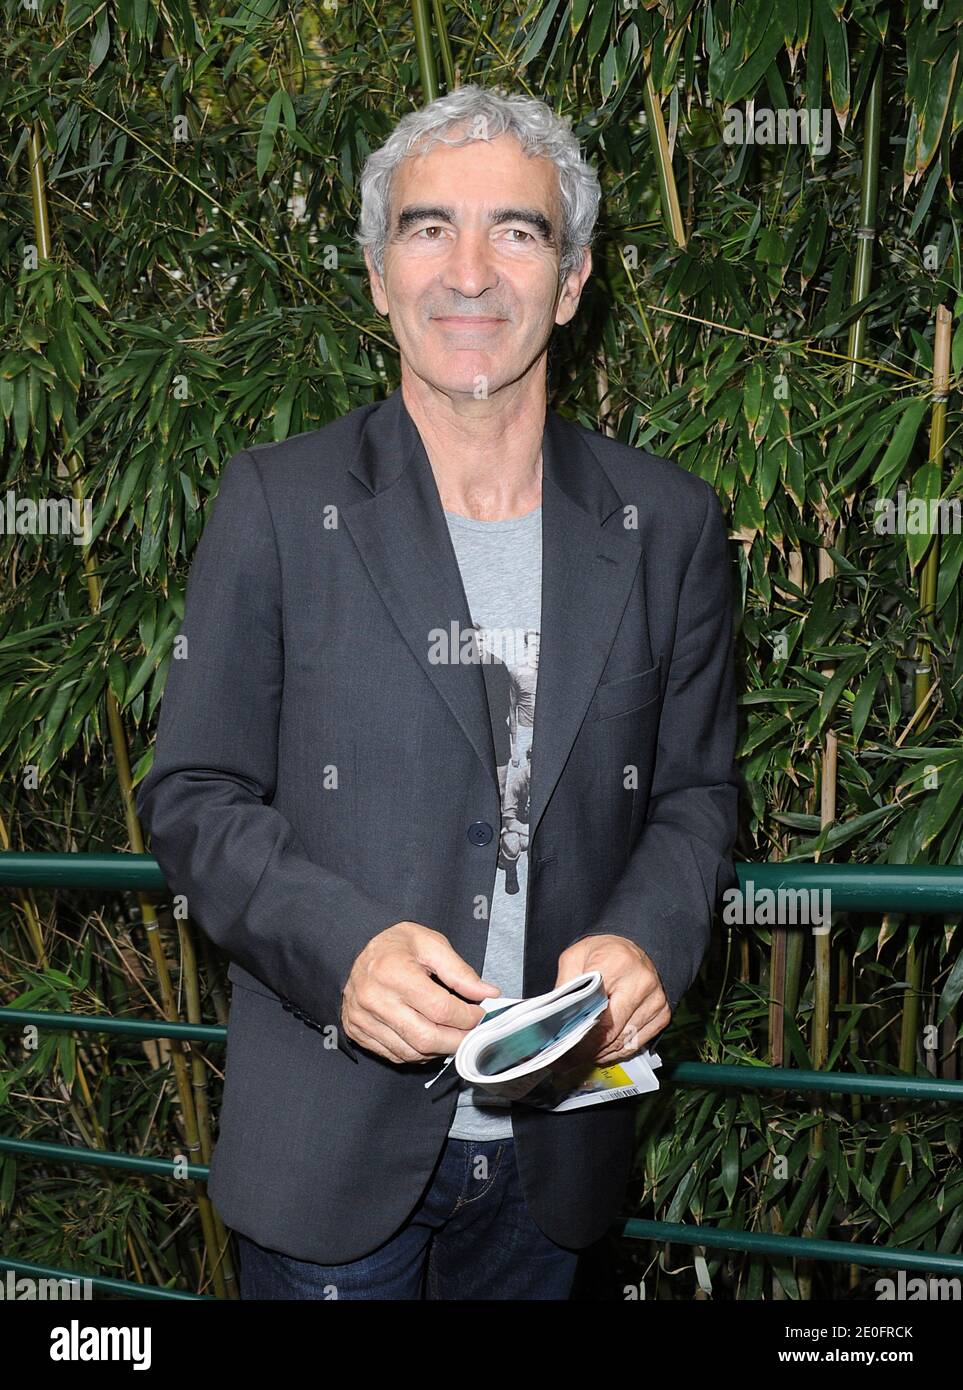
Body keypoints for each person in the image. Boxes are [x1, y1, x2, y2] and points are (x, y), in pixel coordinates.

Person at [136, 83, 740, 1301]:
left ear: (572, 281)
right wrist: (342, 949)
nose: (470, 270)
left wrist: (649, 938)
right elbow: (191, 795)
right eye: (427, 227)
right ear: (376, 274)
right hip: (331, 1166)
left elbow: (696, 796)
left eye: (516, 230)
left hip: (559, 1165)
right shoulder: (273, 506)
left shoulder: (671, 524)